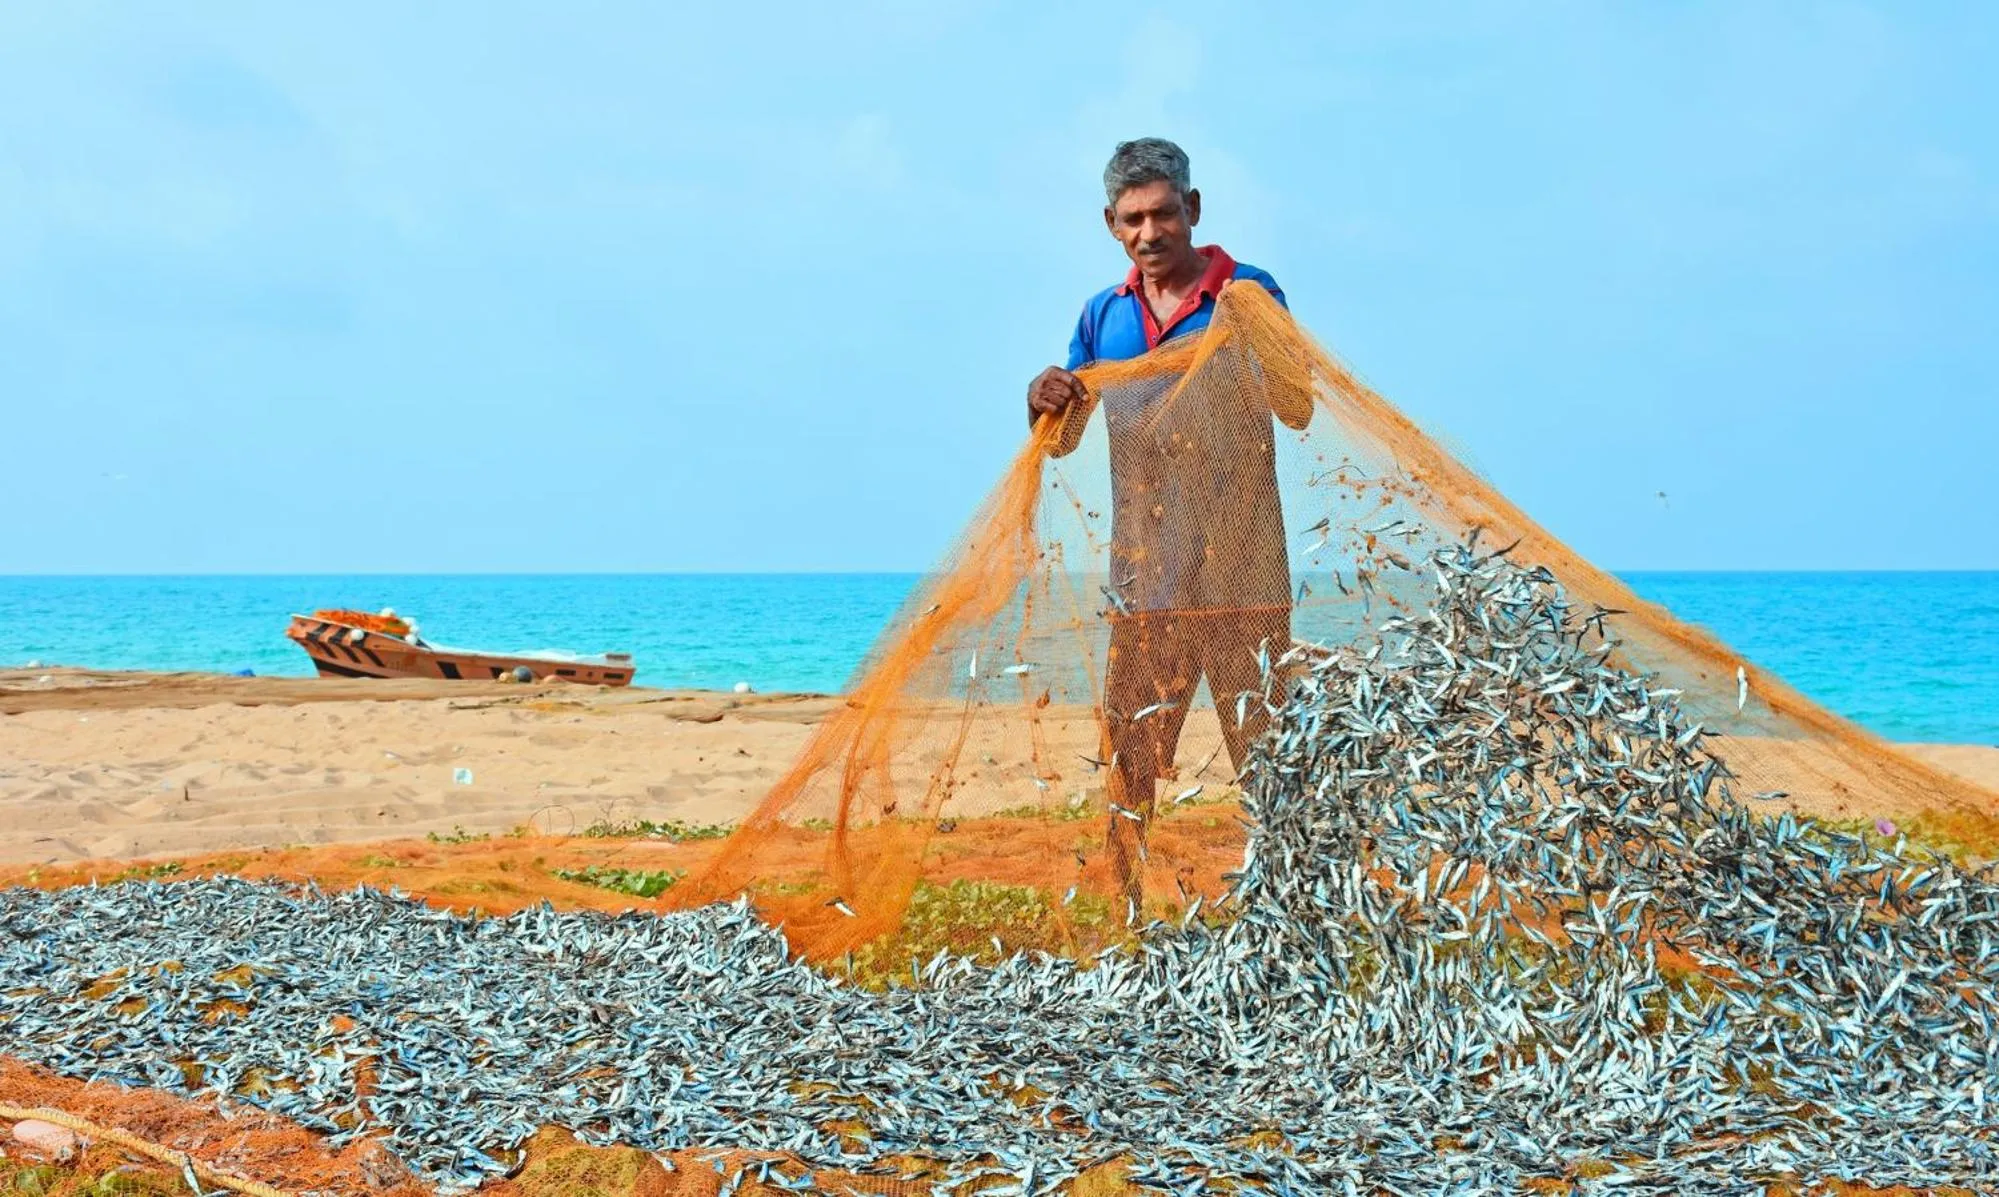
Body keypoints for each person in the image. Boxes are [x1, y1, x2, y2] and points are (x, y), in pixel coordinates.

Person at [1025, 137, 1311, 907]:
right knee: (1132, 757)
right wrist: (1043, 394)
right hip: (1145, 578)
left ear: (1192, 209)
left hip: (1243, 573)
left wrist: (1258, 337)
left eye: (1162, 215)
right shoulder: (1102, 315)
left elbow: (1298, 406)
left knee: (1268, 756)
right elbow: (1062, 440)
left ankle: (1288, 912)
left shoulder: (1246, 291)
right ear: (1110, 225)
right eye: (1130, 220)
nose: (1148, 234)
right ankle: (1121, 909)